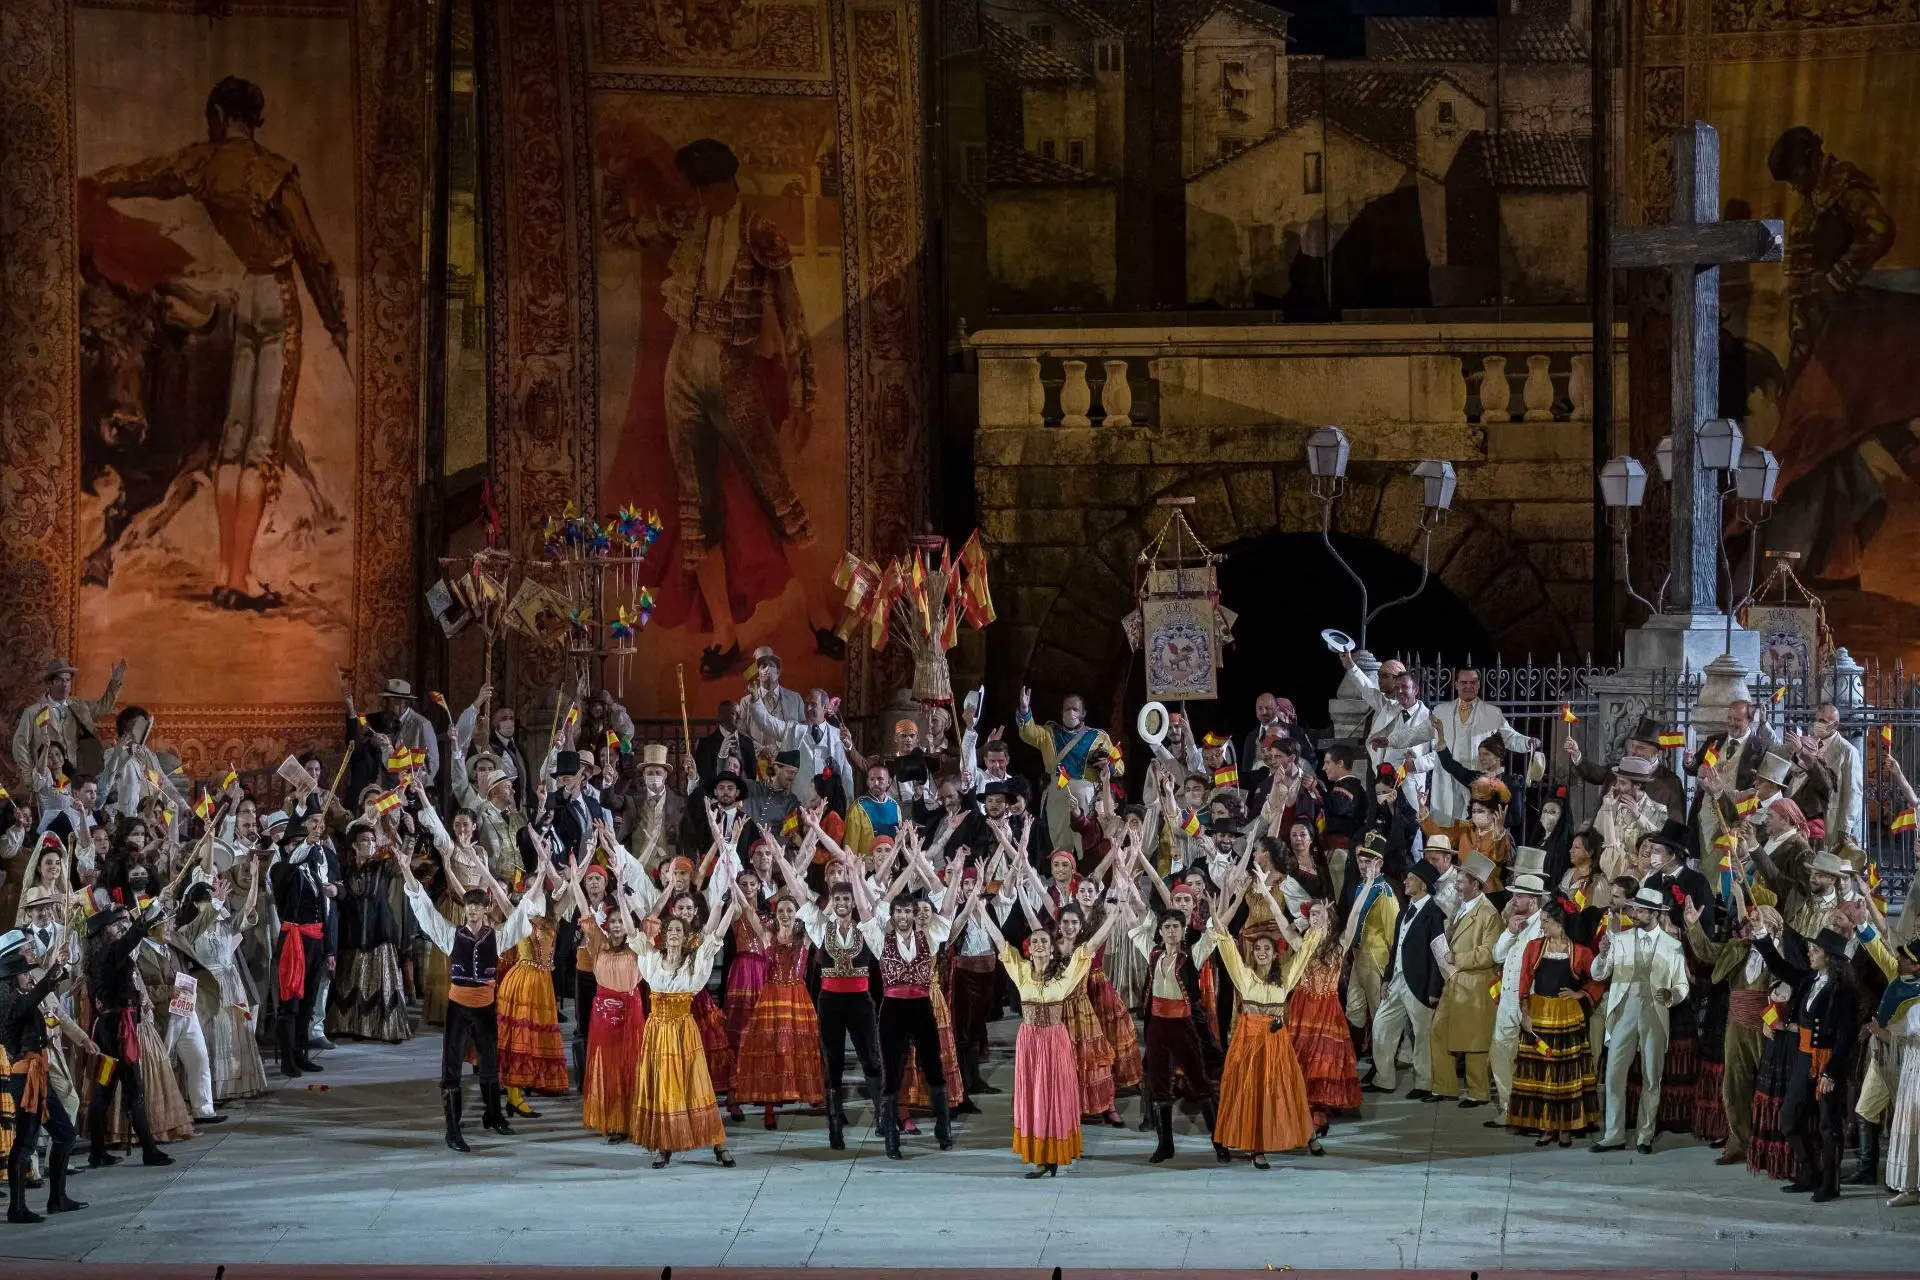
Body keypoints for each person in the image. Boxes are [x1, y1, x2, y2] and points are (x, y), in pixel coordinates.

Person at [397, 830, 542, 1152]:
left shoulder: (499, 937)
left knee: (490, 1064)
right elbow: (423, 908)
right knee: (451, 1068)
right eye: (469, 907)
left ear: (487, 908)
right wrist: (407, 868)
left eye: (478, 907)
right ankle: (452, 1129)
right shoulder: (451, 936)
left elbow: (523, 913)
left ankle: (493, 1115)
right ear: (464, 909)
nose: (473, 912)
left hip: (486, 1007)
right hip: (459, 1008)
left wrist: (542, 871)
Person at [630, 900, 741, 1169]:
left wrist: (727, 906)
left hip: (683, 1032)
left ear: (685, 935)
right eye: (670, 931)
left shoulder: (694, 963)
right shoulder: (652, 961)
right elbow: (634, 932)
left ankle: (718, 1144)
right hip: (657, 1033)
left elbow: (715, 934)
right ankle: (663, 1144)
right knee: (664, 1087)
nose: (674, 934)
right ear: (664, 936)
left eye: (679, 930)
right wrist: (622, 895)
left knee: (695, 1085)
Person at [1755, 924, 1860, 1202]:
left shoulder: (1843, 991)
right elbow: (1778, 966)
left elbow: (1844, 1037)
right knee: (1789, 1119)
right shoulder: (1807, 980)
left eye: (1815, 950)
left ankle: (1830, 1184)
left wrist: (1832, 1072)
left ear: (1830, 957)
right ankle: (1807, 1173)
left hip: (1827, 1062)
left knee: (1828, 1125)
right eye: (1810, 949)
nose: (1809, 954)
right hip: (1803, 1058)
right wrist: (1762, 936)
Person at [1591, 885, 1691, 1154]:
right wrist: (1602, 954)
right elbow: (1600, 974)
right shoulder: (1620, 939)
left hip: (1655, 1014)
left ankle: (1645, 1135)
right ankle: (1613, 1134)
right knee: (1613, 1075)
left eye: (1641, 910)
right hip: (1624, 1012)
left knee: (1651, 1077)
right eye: (1634, 908)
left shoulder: (1673, 946)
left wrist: (1672, 993)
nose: (1634, 913)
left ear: (1655, 914)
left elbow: (1682, 984)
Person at [82, 903, 177, 1167]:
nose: (120, 927)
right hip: (118, 1032)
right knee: (132, 1089)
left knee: (105, 1090)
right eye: (114, 925)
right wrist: (151, 913)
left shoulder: (102, 955)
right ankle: (149, 1150)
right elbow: (134, 935)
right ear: (103, 932)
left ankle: (97, 1152)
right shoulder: (110, 954)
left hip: (110, 1029)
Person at [1, 932, 85, 1223]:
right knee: (25, 1142)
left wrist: (56, 970)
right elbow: (30, 1003)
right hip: (26, 1079)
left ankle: (57, 1199)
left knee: (64, 1134)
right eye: (23, 973)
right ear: (12, 977)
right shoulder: (9, 1003)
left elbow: (37, 1004)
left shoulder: (21, 998)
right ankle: (17, 1208)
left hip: (38, 1076)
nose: (27, 977)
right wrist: (52, 972)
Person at [1507, 901, 1602, 1146]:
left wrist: (1581, 994)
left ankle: (1565, 1127)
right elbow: (1524, 983)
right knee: (1543, 1070)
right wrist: (1525, 1013)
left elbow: (1599, 978)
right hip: (1539, 1014)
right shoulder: (1534, 947)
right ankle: (1546, 1125)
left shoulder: (1579, 952)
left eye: (1547, 920)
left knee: (1565, 1072)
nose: (1542, 923)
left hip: (1567, 1016)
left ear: (1560, 923)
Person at [1430, 851, 1501, 1107]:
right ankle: (1445, 1086)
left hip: (1475, 984)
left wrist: (1455, 958)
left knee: (1474, 1042)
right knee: (1438, 1031)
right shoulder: (1462, 907)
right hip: (1455, 982)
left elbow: (1488, 953)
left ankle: (1478, 1092)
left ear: (1476, 884)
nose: (1456, 885)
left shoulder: (1488, 913)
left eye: (1461, 881)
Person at [1017, 688, 1121, 858]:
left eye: (1075, 709)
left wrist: (1107, 766)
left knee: (1086, 840)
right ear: (1061, 712)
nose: (1070, 712)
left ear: (1083, 713)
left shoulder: (1098, 737)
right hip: (1057, 794)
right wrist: (1024, 710)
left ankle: (1086, 877)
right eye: (1067, 709)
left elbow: (1119, 766)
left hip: (1086, 795)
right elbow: (1029, 733)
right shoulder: (1049, 733)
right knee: (1059, 842)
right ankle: (1063, 878)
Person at [1427, 669, 1536, 828]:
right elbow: (1421, 733)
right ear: (1456, 684)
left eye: (1473, 682)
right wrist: (1391, 741)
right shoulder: (1440, 711)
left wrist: (1528, 742)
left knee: (1477, 822)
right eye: (1464, 682)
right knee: (1447, 828)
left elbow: (1509, 736)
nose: (1468, 686)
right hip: (1448, 778)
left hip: (1476, 776)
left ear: (1478, 685)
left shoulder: (1492, 712)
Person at [1488, 871, 1548, 1128]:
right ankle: (1508, 1108)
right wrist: (1510, 932)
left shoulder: (1543, 925)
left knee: (1530, 1059)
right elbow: (1497, 955)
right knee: (1499, 1051)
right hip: (1507, 999)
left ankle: (1533, 1114)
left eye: (1519, 895)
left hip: (1529, 1000)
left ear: (1533, 900)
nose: (1514, 898)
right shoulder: (1515, 921)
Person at [12, 659, 126, 782]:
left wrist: (115, 682)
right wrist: (30, 776)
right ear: (50, 683)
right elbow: (20, 745)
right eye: (60, 680)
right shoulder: (33, 712)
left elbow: (103, 707)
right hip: (50, 778)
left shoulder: (79, 706)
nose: (65, 684)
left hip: (82, 776)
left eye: (68, 680)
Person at [1565, 715, 1687, 819]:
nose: (1633, 751)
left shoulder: (1671, 783)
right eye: (1633, 746)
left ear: (1656, 753)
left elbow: (1675, 822)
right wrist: (1576, 754)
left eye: (1640, 748)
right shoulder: (1618, 770)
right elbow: (1594, 774)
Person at [1878, 940, 1920, 1207]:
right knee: (1910, 1124)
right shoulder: (1913, 1003)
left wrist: (1876, 1030)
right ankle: (1910, 1188)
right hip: (1914, 1069)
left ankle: (1911, 1188)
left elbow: (1895, 1031)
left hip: (1916, 1071)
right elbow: (1896, 1031)